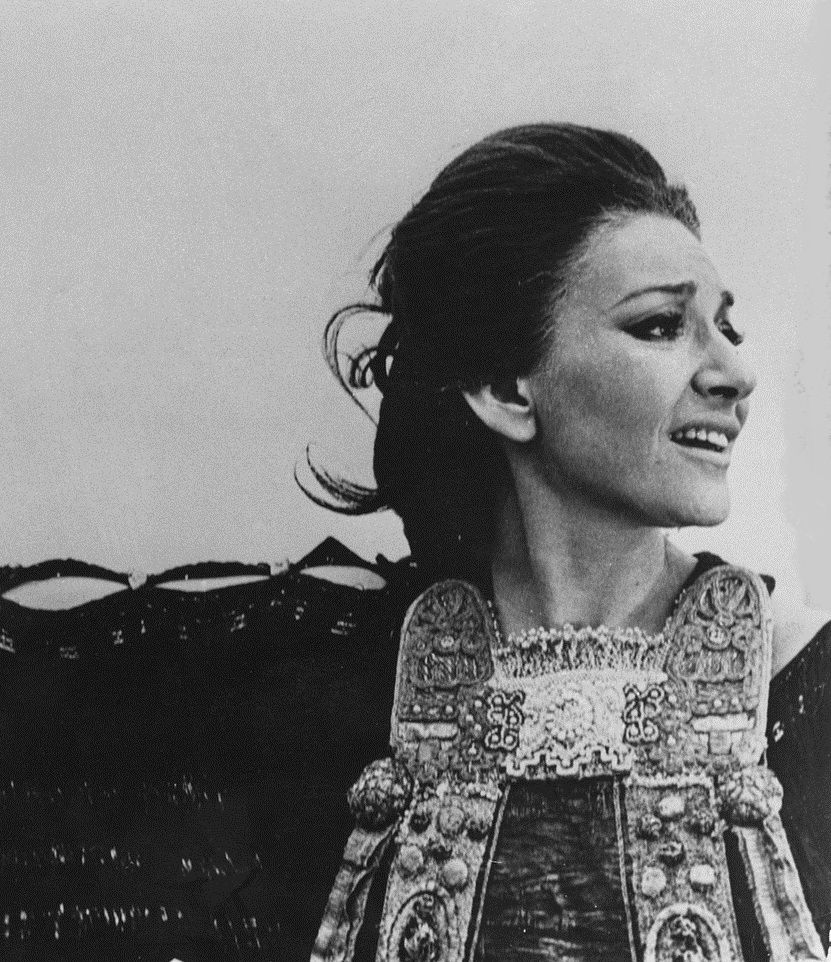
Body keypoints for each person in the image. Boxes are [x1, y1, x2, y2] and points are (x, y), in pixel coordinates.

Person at [306, 124, 831, 961]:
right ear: (503, 387)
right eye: (661, 325)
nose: (734, 372)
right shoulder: (336, 685)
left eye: (725, 327)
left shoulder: (809, 687)